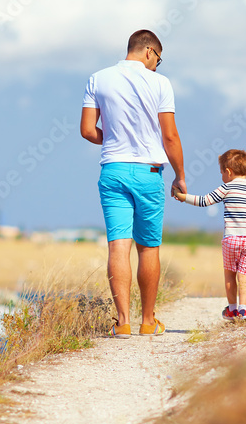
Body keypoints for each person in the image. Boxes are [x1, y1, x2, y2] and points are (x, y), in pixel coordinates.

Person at [80, 30, 186, 338]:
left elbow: (88, 130)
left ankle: (123, 321)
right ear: (150, 52)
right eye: (158, 60)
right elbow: (169, 136)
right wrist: (180, 175)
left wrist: (114, 139)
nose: (157, 65)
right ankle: (147, 321)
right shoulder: (160, 83)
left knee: (118, 246)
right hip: (148, 173)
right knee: (149, 248)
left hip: (112, 170)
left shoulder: (97, 78)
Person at [174, 149, 246, 320]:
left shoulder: (226, 188)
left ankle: (232, 309)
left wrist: (183, 197)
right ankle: (244, 310)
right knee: (244, 276)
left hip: (231, 240)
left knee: (230, 274)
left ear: (228, 172)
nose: (221, 177)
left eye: (221, 173)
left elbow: (204, 201)